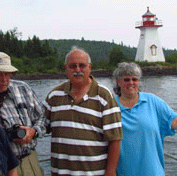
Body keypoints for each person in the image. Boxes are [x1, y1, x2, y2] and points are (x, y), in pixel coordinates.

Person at [43, 46, 123, 176]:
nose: (77, 70)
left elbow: (115, 139)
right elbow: (40, 126)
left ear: (90, 67)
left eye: (82, 65)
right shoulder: (54, 96)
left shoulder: (104, 96)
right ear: (66, 68)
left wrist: (110, 172)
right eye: (72, 66)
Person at [0, 52, 46, 176]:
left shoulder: (23, 88)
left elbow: (43, 117)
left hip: (28, 160)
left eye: (7, 73)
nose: (4, 79)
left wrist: (33, 132)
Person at [113, 62, 177, 176]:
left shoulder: (152, 101)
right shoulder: (111, 106)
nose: (131, 83)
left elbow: (175, 121)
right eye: (126, 79)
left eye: (134, 79)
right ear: (119, 82)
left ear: (139, 81)